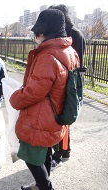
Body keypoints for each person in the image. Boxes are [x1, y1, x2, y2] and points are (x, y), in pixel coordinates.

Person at [9, 9, 79, 190]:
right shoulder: (68, 51)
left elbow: (34, 91)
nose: (35, 37)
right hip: (56, 113)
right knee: (45, 152)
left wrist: (14, 98)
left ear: (44, 32)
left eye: (36, 32)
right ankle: (40, 187)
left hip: (41, 115)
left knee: (31, 155)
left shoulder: (48, 55)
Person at [48, 4, 87, 170]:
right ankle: (65, 150)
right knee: (60, 118)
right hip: (63, 82)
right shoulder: (62, 33)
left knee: (65, 118)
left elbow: (74, 63)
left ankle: (62, 152)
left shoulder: (74, 35)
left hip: (69, 84)